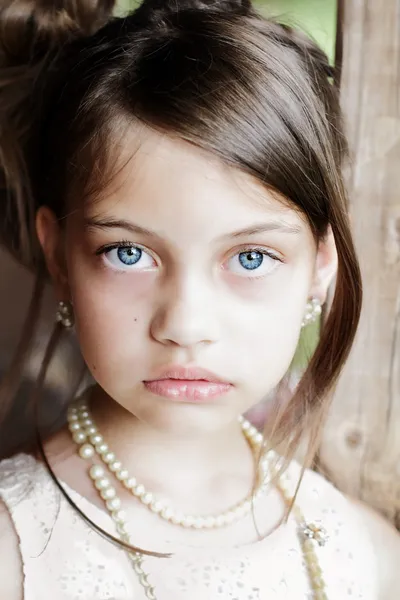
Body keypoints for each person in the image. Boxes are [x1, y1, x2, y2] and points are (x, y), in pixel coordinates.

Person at [0, 0, 399, 598]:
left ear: (320, 268)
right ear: (59, 257)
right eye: (128, 253)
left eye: (250, 258)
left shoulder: (366, 558)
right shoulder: (15, 552)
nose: (185, 325)